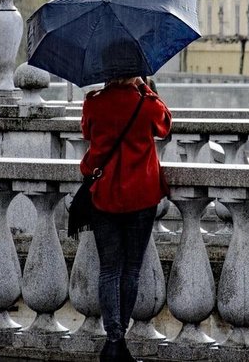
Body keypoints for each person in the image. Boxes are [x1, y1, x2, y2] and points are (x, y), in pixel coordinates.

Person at [80, 76, 171, 362]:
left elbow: (86, 132)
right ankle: (119, 342)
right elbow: (166, 125)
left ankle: (113, 339)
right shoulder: (145, 103)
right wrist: (145, 88)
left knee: (109, 270)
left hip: (103, 195)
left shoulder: (94, 103)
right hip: (140, 198)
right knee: (131, 270)